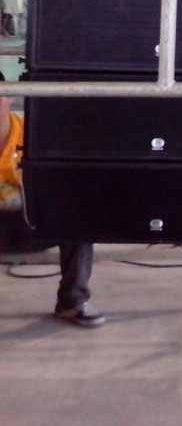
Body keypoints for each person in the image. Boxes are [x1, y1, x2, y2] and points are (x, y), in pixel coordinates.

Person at [0, 72, 105, 327]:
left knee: (78, 214)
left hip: (32, 226)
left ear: (9, 97)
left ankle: (72, 302)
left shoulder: (35, 133)